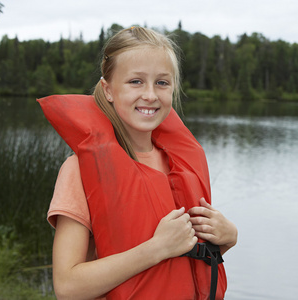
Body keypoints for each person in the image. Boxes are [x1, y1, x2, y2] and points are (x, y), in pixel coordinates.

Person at [41, 26, 237, 300]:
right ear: (108, 90)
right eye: (136, 81)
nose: (150, 95)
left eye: (162, 82)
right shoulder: (80, 170)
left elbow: (181, 265)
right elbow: (68, 288)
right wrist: (156, 248)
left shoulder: (181, 165)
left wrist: (225, 239)